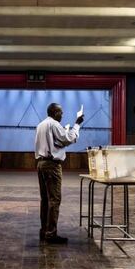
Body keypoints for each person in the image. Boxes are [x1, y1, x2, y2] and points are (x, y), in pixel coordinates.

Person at [35, 103, 84, 244]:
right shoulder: (54, 124)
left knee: (45, 200)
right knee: (54, 200)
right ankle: (51, 234)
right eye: (60, 112)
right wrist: (77, 124)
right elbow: (68, 139)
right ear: (54, 112)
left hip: (41, 164)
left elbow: (56, 143)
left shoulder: (41, 125)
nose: (62, 115)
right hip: (52, 165)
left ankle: (44, 231)